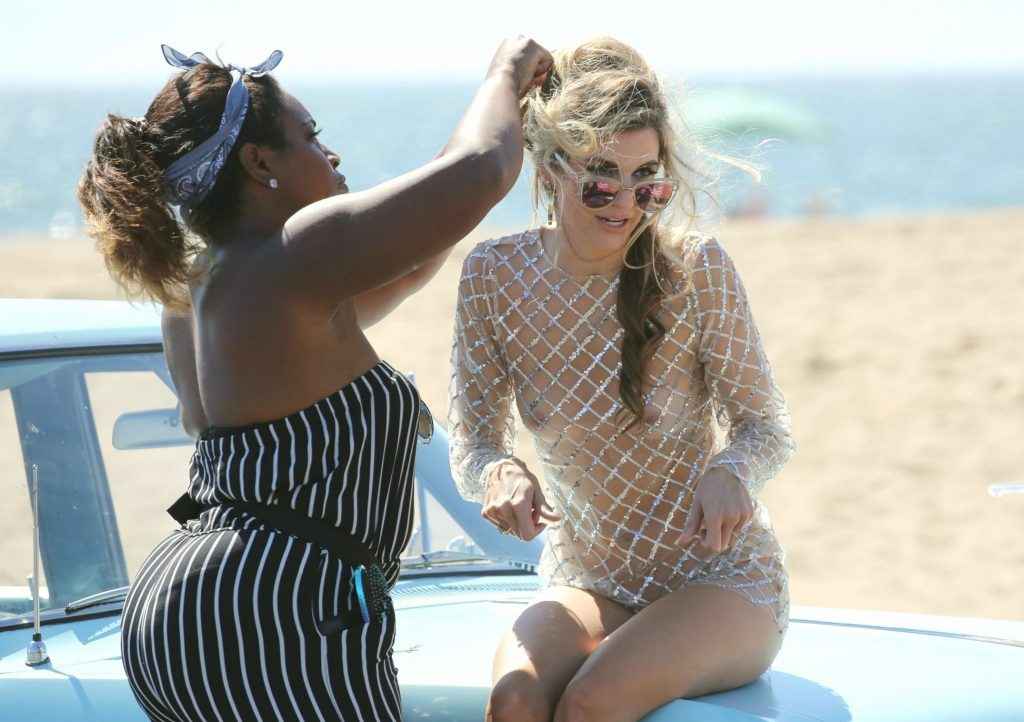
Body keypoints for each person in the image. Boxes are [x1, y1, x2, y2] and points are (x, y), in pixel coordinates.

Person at [78, 38, 552, 722]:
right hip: (281, 614)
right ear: (259, 162)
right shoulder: (293, 255)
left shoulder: (203, 284)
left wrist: (500, 124)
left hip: (185, 607)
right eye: (311, 136)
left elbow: (418, 251)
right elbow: (479, 171)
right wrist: (507, 70)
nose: (330, 155)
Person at [448, 37, 794, 722]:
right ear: (551, 167)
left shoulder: (695, 269)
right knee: (514, 699)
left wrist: (731, 472)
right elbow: (473, 442)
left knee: (591, 703)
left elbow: (765, 427)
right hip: (589, 579)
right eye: (603, 179)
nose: (627, 203)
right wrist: (500, 474)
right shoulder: (492, 276)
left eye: (648, 181)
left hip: (718, 581)